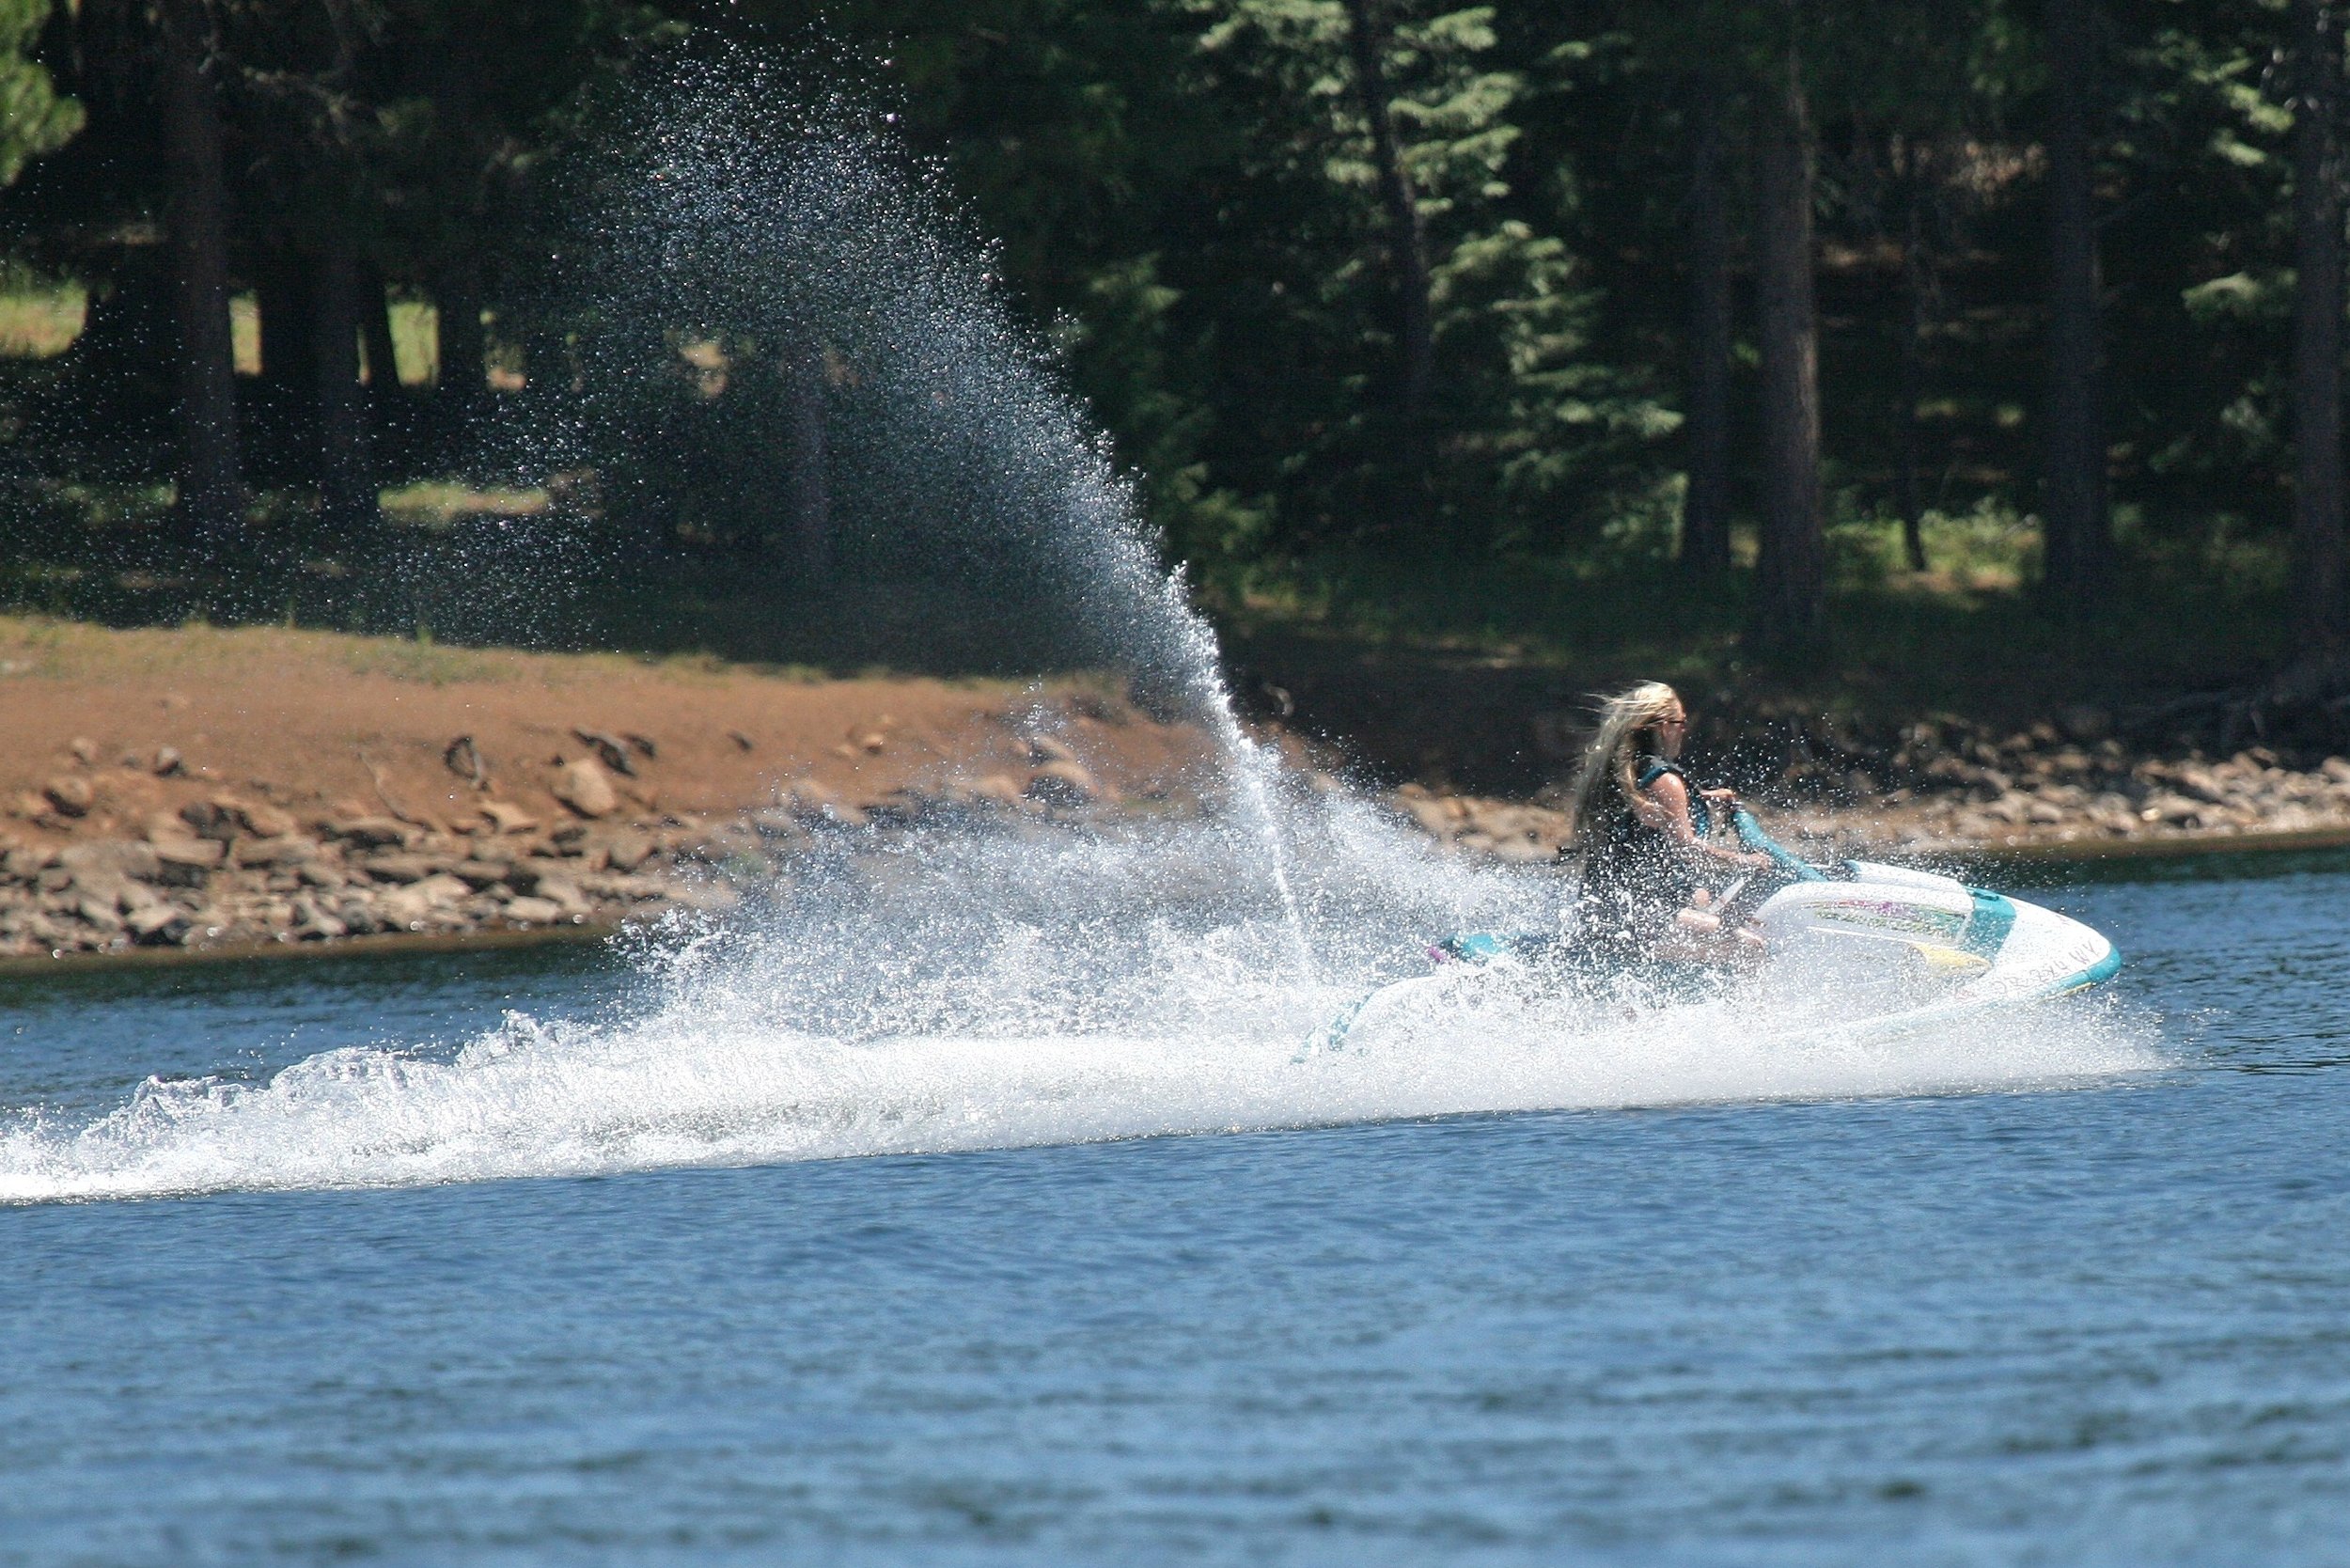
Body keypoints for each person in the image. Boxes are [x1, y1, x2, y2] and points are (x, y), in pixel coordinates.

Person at [1559, 681, 1770, 959]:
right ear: (1663, 727)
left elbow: (1645, 816)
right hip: (1643, 918)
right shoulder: (1664, 781)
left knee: (1706, 897)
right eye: (1681, 722)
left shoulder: (1618, 774)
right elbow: (1686, 846)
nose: (1684, 730)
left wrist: (1702, 798)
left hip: (1604, 911)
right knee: (1753, 946)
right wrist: (1746, 860)